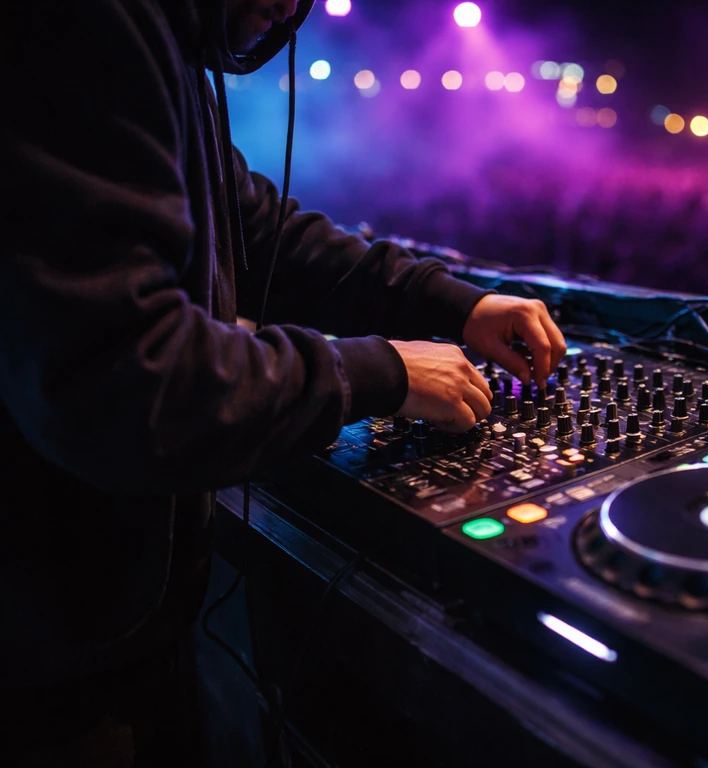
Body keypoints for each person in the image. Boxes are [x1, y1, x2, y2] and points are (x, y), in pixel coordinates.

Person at [1, 0, 566, 765]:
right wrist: (382, 372)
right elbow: (131, 380)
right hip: (41, 676)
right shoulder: (84, 23)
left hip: (107, 638)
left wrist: (455, 303)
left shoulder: (164, 44)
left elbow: (261, 232)